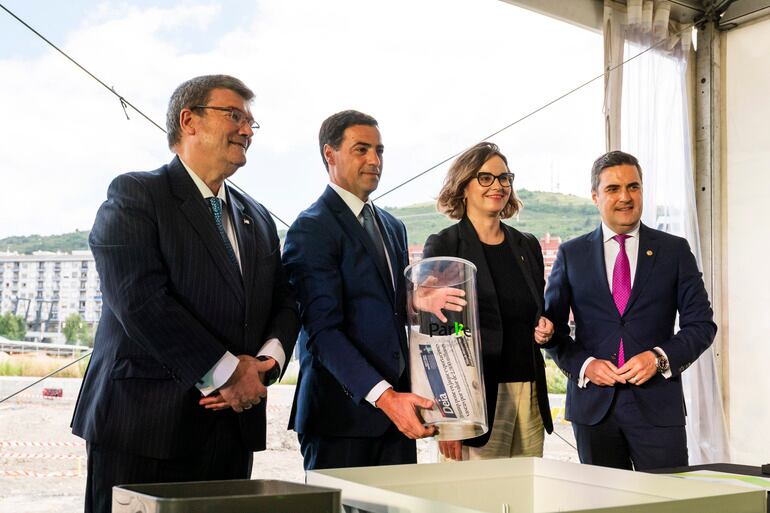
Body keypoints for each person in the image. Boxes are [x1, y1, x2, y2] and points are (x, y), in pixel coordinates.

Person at [71, 75, 299, 513]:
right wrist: (229, 373)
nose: (248, 130)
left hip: (233, 427)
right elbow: (140, 301)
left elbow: (285, 301)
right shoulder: (136, 194)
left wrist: (266, 365)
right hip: (143, 427)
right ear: (188, 120)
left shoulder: (259, 218)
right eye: (234, 116)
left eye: (252, 122)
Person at [282, 110, 440, 470]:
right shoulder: (311, 229)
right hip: (342, 418)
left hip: (399, 414)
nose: (374, 160)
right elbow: (323, 332)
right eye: (361, 149)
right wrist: (384, 397)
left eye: (379, 150)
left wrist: (415, 300)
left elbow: (386, 308)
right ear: (329, 154)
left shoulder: (393, 226)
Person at [544, 150, 716, 471]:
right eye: (613, 189)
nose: (625, 197)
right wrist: (585, 366)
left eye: (633, 187)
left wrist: (658, 358)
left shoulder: (674, 250)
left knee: (667, 502)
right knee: (604, 505)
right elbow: (551, 332)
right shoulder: (571, 254)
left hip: (657, 407)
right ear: (595, 196)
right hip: (594, 411)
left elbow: (702, 326)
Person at [421, 142, 555, 461]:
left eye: (504, 178)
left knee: (526, 498)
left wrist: (544, 327)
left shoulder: (526, 245)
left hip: (529, 393)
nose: (497, 185)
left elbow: (535, 310)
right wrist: (447, 420)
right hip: (473, 399)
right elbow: (432, 336)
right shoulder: (445, 244)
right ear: (464, 186)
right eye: (485, 178)